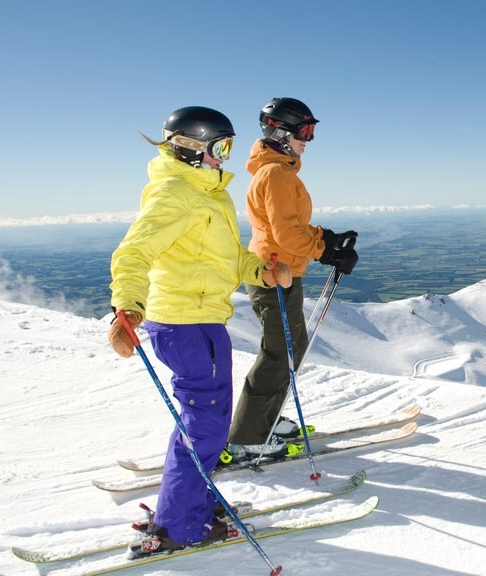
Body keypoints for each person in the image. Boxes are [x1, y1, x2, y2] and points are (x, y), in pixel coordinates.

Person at [108, 106, 292, 552]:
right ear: (190, 147)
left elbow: (227, 258)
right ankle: (179, 527)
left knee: (206, 421)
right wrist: (127, 306)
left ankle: (189, 500)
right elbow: (133, 251)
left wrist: (261, 272)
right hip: (182, 323)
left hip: (208, 320)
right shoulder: (174, 192)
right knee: (205, 426)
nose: (224, 158)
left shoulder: (212, 195)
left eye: (228, 147)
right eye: (220, 148)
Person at [223, 97, 358, 463]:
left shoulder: (279, 171)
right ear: (280, 132)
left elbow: (289, 226)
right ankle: (247, 438)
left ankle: (266, 419)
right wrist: (325, 250)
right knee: (279, 351)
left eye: (310, 131)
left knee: (292, 347)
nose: (308, 139)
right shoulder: (277, 174)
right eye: (304, 131)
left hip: (282, 272)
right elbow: (286, 235)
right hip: (273, 274)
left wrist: (325, 239)